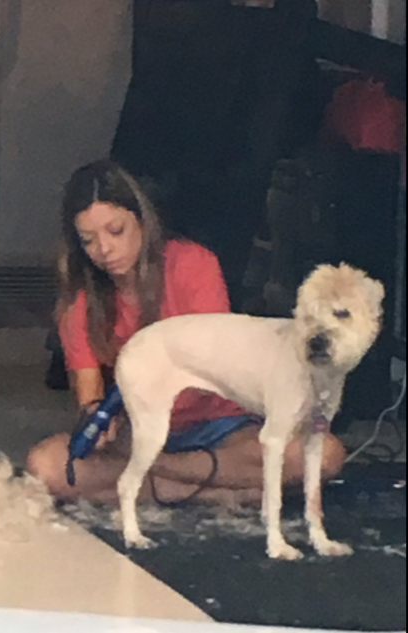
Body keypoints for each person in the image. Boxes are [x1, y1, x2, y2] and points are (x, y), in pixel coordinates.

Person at [27, 159, 345, 507]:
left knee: (325, 454)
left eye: (115, 230)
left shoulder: (194, 264)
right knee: (46, 467)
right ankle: (224, 491)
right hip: (140, 428)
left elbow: (210, 369)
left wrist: (152, 453)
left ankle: (160, 479)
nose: (104, 250)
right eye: (89, 240)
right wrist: (98, 419)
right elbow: (90, 398)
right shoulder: (81, 301)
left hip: (220, 427)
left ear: (142, 221)